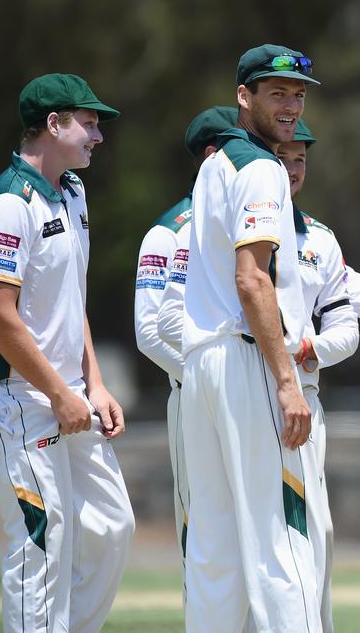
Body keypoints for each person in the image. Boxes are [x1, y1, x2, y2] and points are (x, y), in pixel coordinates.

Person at [0, 73, 135, 632]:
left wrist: (93, 383)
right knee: (41, 542)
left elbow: (73, 298)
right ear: (53, 124)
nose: (97, 135)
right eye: (89, 123)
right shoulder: (6, 202)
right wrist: (58, 391)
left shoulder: (72, 191)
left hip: (70, 396)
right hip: (19, 400)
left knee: (111, 527)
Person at [181, 44, 319, 632]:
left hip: (202, 365)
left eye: (297, 95)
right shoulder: (262, 168)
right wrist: (287, 381)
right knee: (280, 539)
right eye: (276, 93)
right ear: (245, 97)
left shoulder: (214, 166)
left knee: (213, 547)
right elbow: (251, 277)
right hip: (245, 362)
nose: (289, 107)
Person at [133, 105, 235, 574]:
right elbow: (149, 332)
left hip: (248, 396)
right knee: (203, 535)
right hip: (193, 393)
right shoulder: (166, 232)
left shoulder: (240, 220)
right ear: (214, 154)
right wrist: (204, 376)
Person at [279, 118, 360, 632]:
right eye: (282, 158)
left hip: (305, 402)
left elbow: (347, 330)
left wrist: (309, 347)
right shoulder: (218, 228)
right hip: (240, 396)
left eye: (300, 160)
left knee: (316, 531)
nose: (291, 170)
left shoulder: (320, 239)